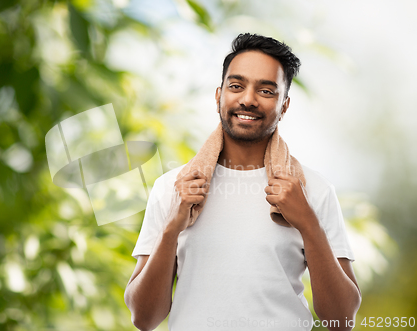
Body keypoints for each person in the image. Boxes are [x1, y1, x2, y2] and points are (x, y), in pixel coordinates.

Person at [124, 33, 361, 331]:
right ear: (218, 96)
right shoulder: (173, 188)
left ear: (284, 106)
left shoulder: (313, 191)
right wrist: (172, 227)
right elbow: (143, 319)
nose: (248, 100)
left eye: (266, 91)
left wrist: (309, 224)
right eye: (236, 86)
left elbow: (341, 321)